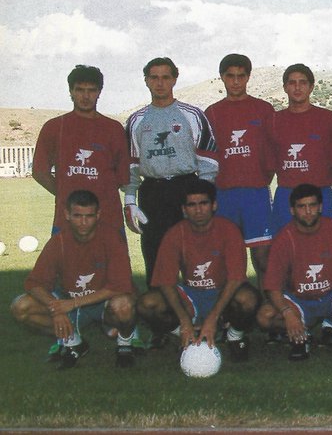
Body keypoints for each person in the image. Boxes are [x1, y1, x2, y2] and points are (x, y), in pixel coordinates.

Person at [10, 190, 137, 369]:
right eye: (77, 216)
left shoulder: (111, 238)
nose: (83, 222)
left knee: (124, 305)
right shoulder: (58, 242)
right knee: (21, 307)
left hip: (103, 303)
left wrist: (73, 303)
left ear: (98, 215)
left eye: (89, 216)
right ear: (67, 215)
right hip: (69, 301)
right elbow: (34, 283)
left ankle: (124, 345)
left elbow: (120, 285)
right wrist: (56, 308)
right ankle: (74, 342)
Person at [136, 179, 259, 360]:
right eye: (192, 205)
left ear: (214, 205)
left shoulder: (229, 230)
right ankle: (187, 334)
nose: (198, 210)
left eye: (203, 203)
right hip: (192, 296)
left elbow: (236, 278)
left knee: (248, 299)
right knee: (147, 303)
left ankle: (234, 337)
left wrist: (213, 317)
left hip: (222, 292)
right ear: (184, 210)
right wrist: (184, 320)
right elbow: (165, 281)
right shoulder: (175, 234)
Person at [123, 57, 218, 286]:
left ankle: (196, 308)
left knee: (193, 255)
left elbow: (209, 161)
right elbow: (131, 166)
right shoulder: (136, 120)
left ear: (175, 79)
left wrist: (202, 199)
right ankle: (162, 314)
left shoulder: (192, 115)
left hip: (186, 188)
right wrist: (129, 201)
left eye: (166, 77)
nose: (160, 83)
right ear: (146, 81)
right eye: (154, 77)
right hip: (152, 192)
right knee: (155, 256)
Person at [256, 185, 332, 364]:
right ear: (292, 210)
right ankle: (302, 337)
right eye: (302, 207)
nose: (308, 212)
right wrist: (287, 313)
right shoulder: (284, 238)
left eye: (312, 205)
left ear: (321, 207)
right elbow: (272, 285)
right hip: (299, 300)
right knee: (265, 316)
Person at [33, 65, 130, 235]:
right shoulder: (54, 127)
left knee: (112, 261)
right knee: (69, 261)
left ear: (100, 92)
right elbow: (39, 172)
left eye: (91, 90)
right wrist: (66, 195)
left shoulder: (114, 129)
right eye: (79, 90)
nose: (86, 96)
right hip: (68, 218)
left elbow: (123, 177)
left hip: (107, 217)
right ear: (70, 91)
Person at [204, 53, 276, 276]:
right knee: (228, 261)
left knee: (263, 259)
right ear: (222, 78)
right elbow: (207, 156)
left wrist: (261, 179)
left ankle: (268, 308)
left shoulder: (263, 109)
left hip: (256, 194)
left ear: (248, 78)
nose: (236, 81)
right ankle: (233, 310)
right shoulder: (212, 113)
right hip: (224, 195)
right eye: (230, 76)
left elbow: (271, 151)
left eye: (241, 76)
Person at [269, 64, 332, 233]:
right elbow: (268, 160)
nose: (298, 87)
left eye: (302, 82)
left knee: (327, 245)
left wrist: (322, 179)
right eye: (292, 83)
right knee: (285, 247)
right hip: (286, 193)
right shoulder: (274, 121)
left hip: (321, 192)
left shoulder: (328, 118)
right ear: (285, 87)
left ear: (311, 87)